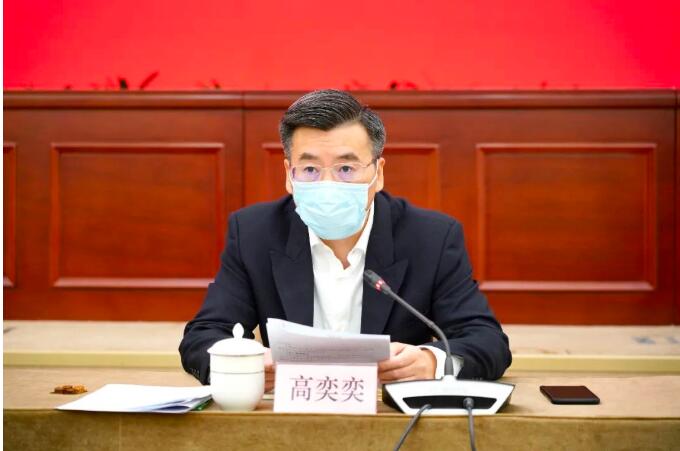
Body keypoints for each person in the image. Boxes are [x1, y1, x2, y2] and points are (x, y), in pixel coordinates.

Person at [179, 89, 511, 390]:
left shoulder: (431, 237)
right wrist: (240, 365)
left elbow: (487, 341)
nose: (328, 184)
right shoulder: (254, 232)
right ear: (289, 176)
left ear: (378, 173)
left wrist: (431, 362)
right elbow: (202, 337)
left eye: (346, 169)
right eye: (310, 170)